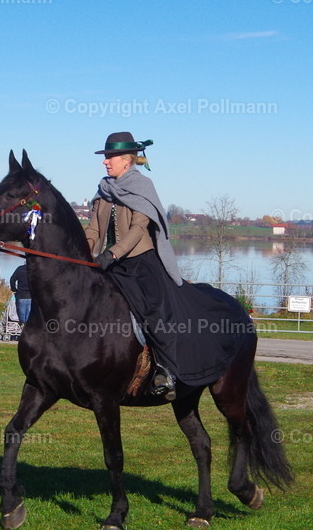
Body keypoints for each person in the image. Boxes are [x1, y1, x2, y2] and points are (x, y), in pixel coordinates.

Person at [85, 132, 248, 399]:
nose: (105, 162)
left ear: (127, 160)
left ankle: (165, 369)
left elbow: (138, 229)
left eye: (110, 157)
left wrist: (112, 254)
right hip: (109, 263)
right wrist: (83, 251)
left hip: (141, 262)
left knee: (154, 310)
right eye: (105, 158)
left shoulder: (142, 186)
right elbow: (93, 229)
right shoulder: (103, 191)